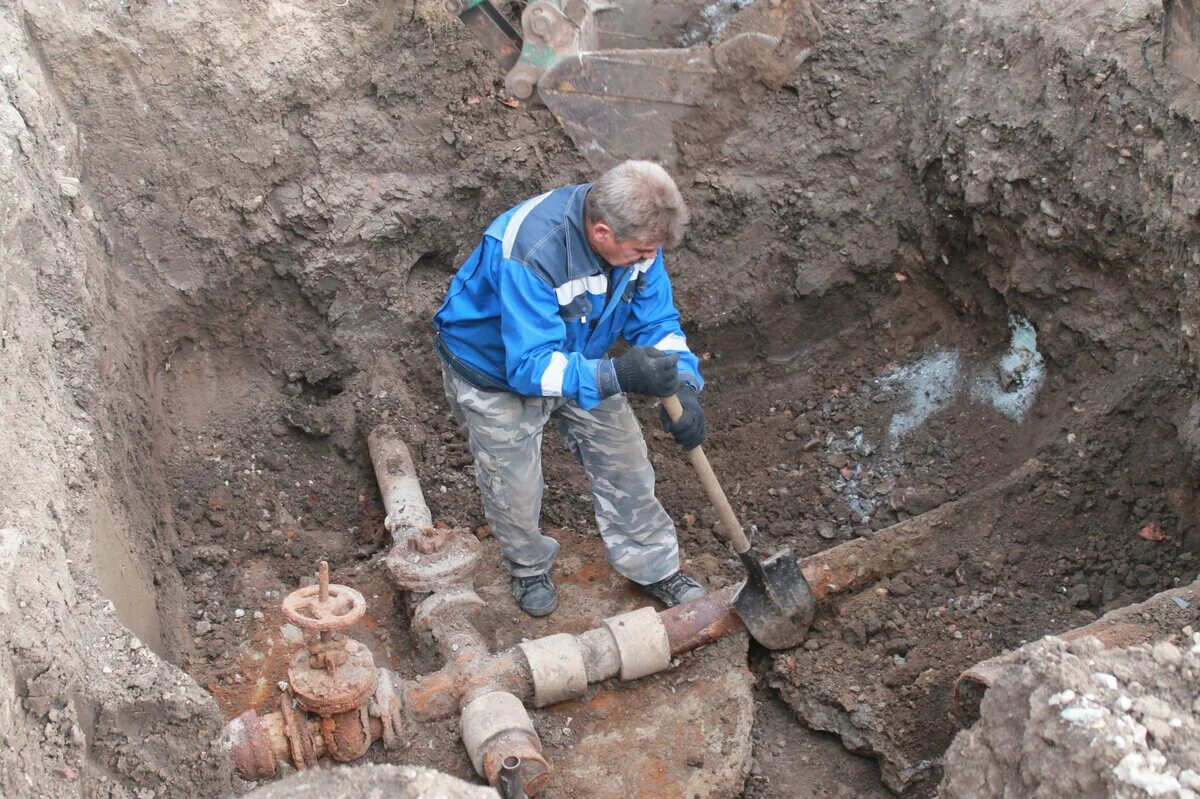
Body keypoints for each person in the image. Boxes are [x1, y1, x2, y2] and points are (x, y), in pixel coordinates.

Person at [433, 160, 708, 616]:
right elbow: (530, 367)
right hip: (496, 370)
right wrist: (618, 376)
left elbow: (657, 321)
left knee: (626, 462)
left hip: (578, 350)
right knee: (514, 486)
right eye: (642, 251)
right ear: (601, 233)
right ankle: (527, 567)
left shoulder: (639, 238)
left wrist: (684, 383)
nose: (649, 258)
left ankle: (654, 566)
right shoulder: (531, 250)